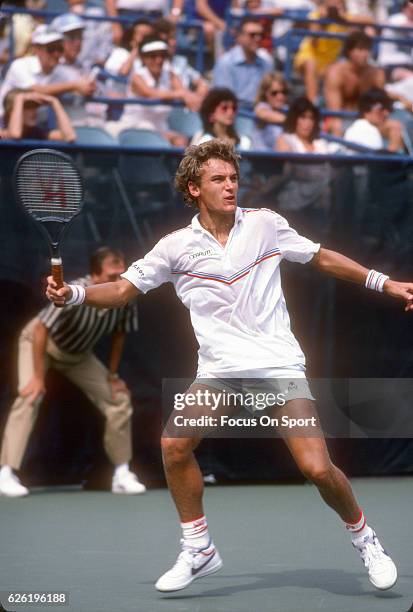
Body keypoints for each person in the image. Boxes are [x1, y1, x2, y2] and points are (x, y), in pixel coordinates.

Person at [46, 139, 411, 593]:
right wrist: (75, 294)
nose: (230, 186)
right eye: (218, 179)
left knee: (317, 469)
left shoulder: (265, 225)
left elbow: (321, 258)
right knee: (175, 444)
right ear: (194, 188)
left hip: (277, 363)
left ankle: (364, 537)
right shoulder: (175, 247)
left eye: (233, 178)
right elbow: (122, 291)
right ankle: (198, 547)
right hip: (220, 370)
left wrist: (386, 282)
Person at [0, 247, 145, 498]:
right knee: (30, 396)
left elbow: (119, 336)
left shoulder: (124, 297)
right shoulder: (74, 290)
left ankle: (121, 473)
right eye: (112, 276)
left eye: (121, 275)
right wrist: (36, 377)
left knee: (118, 400)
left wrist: (112, 376)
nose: (118, 281)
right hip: (41, 344)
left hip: (78, 355)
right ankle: (6, 473)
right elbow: (40, 331)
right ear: (95, 275)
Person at [105, 36, 197, 144]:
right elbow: (150, 93)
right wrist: (181, 94)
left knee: (182, 142)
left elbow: (184, 92)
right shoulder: (137, 77)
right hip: (134, 126)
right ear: (144, 58)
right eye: (153, 56)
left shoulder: (171, 75)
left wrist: (188, 96)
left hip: (160, 127)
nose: (158, 60)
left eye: (162, 56)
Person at [0, 24, 97, 124]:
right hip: (4, 125)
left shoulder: (63, 71)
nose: (56, 54)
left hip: (36, 128)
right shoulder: (20, 65)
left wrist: (88, 85)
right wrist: (74, 85)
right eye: (51, 48)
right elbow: (38, 91)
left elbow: (84, 86)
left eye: (59, 49)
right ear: (36, 49)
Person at [294, 0, 372, 104]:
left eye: (338, 2)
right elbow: (314, 42)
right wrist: (321, 22)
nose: (335, 5)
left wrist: (343, 18)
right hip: (308, 57)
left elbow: (371, 21)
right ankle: (312, 103)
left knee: (343, 70)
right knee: (311, 64)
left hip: (330, 63)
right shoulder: (315, 15)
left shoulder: (344, 18)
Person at [324, 31, 385, 136]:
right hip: (341, 117)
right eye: (360, 49)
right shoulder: (336, 72)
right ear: (349, 51)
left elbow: (381, 105)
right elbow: (334, 111)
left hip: (368, 119)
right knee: (336, 125)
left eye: (367, 49)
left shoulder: (376, 74)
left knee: (395, 126)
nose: (364, 54)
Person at [212, 17, 274, 106]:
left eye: (261, 35)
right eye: (252, 35)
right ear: (239, 37)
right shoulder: (226, 63)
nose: (257, 38)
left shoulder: (266, 63)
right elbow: (224, 101)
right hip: (236, 114)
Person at [0, 89, 76, 142]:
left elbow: (70, 137)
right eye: (27, 107)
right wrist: (19, 99)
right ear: (11, 111)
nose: (34, 111)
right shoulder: (1, 132)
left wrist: (54, 102)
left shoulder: (37, 133)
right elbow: (15, 135)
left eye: (35, 107)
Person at [344, 88, 404, 153]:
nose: (386, 113)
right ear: (366, 110)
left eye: (388, 108)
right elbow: (380, 162)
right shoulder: (362, 129)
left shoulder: (375, 129)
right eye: (382, 108)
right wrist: (394, 144)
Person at [251, 71, 288, 151]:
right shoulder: (261, 106)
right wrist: (292, 120)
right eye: (274, 93)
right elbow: (263, 114)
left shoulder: (285, 110)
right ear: (265, 93)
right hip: (261, 159)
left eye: (284, 92)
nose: (280, 96)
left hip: (280, 159)